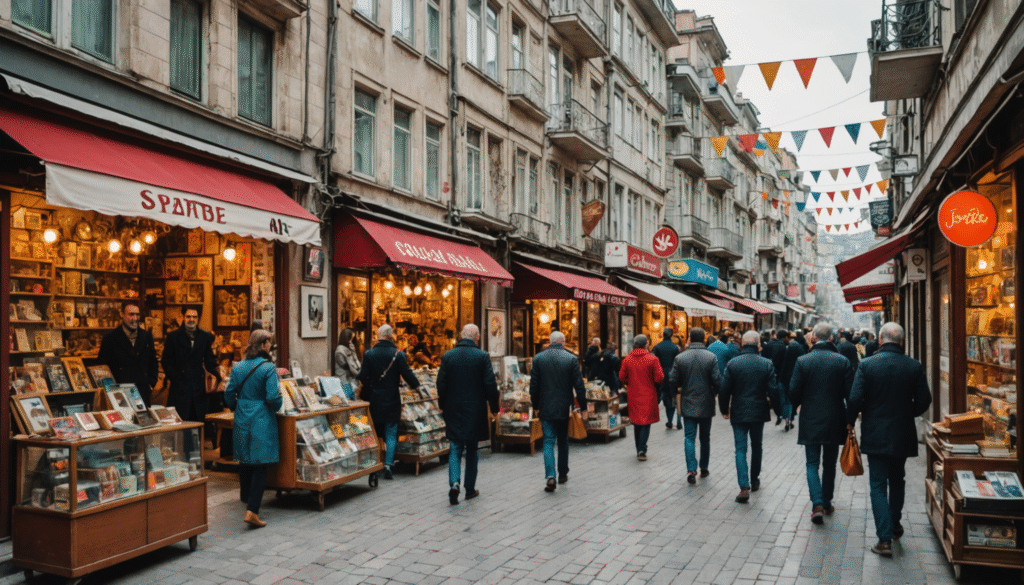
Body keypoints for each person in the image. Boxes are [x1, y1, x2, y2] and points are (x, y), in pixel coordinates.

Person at [847, 322, 932, 557]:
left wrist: (853, 418)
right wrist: (908, 412)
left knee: (877, 484)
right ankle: (894, 526)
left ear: (881, 340)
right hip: (902, 432)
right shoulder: (913, 366)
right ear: (902, 342)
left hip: (875, 432)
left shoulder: (867, 365)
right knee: (898, 480)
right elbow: (925, 400)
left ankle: (884, 539)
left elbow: (854, 399)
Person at [788, 322, 855, 525]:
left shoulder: (803, 361)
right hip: (835, 418)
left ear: (814, 338)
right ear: (832, 338)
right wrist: (850, 420)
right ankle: (826, 501)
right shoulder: (842, 361)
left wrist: (798, 405)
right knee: (829, 464)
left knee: (811, 462)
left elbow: (793, 391)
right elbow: (850, 395)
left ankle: (816, 503)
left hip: (810, 418)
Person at [224, 330, 282, 528]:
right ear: (264, 345)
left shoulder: (238, 366)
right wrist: (276, 406)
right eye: (269, 343)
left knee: (245, 458)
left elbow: (229, 392)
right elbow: (274, 397)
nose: (270, 346)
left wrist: (235, 406)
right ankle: (252, 511)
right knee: (260, 463)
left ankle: (245, 499)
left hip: (242, 415)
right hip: (261, 416)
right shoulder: (268, 368)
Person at [436, 324, 499, 505]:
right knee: (472, 449)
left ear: (461, 336)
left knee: (455, 447)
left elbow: (441, 384)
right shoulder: (482, 356)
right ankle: (469, 489)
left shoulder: (448, 356)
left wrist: (442, 405)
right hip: (475, 409)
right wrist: (494, 408)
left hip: (453, 408)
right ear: (477, 337)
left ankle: (454, 483)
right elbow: (490, 384)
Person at [719, 331, 781, 503]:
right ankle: (754, 480)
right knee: (757, 446)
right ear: (758, 344)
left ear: (742, 344)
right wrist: (779, 410)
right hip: (758, 411)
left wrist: (724, 409)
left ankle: (743, 486)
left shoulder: (733, 363)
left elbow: (724, 390)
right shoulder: (766, 363)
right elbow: (773, 390)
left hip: (738, 410)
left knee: (740, 449)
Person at [358, 324, 420, 480]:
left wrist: (363, 390)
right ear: (391, 336)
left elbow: (363, 376)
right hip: (392, 397)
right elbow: (407, 374)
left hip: (375, 398)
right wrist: (417, 387)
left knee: (376, 432)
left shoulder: (369, 354)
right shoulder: (398, 354)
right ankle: (388, 465)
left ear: (378, 336)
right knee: (391, 433)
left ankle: (376, 462)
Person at [529, 331, 586, 492]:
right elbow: (579, 387)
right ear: (563, 342)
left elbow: (533, 386)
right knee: (562, 440)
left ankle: (550, 476)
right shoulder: (572, 359)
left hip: (545, 406)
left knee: (548, 440)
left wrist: (535, 405)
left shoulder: (538, 358)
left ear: (549, 341)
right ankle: (562, 474)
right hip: (563, 407)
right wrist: (583, 406)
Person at [669, 327, 721, 484]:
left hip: (688, 401)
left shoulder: (680, 357)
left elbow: (672, 380)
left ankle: (691, 469)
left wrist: (678, 389)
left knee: (689, 437)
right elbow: (718, 381)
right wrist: (713, 393)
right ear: (704, 339)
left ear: (690, 339)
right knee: (705, 438)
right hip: (706, 402)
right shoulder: (711, 357)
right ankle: (704, 467)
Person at [161, 306, 221, 424]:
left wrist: (217, 376)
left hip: (198, 389)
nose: (191, 319)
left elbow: (209, 360)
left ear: (198, 319)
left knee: (197, 425)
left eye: (194, 317)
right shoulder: (173, 337)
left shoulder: (205, 336)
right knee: (180, 426)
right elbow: (166, 361)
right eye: (188, 316)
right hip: (179, 389)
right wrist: (177, 378)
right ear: (183, 318)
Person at [98, 301, 159, 407]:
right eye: (131, 314)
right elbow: (102, 367)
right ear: (122, 315)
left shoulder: (146, 336)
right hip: (120, 393)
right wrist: (111, 389)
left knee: (144, 422)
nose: (135, 318)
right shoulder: (110, 338)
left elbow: (153, 361)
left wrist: (150, 383)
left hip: (142, 391)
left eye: (137, 315)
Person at [618, 335, 663, 461]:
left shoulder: (627, 359)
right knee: (645, 422)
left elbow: (621, 377)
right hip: (648, 394)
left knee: (637, 422)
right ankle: (642, 449)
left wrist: (629, 382)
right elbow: (659, 377)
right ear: (646, 344)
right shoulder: (652, 359)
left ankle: (639, 447)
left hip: (633, 393)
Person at [650, 328, 681, 430]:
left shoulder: (657, 347)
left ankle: (652, 417)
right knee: (670, 399)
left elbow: (653, 361)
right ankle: (670, 420)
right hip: (671, 376)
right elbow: (678, 363)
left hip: (659, 375)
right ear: (671, 335)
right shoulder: (675, 348)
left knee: (659, 397)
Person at [777, 330, 807, 431]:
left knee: (783, 400)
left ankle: (784, 417)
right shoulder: (799, 351)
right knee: (790, 401)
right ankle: (789, 420)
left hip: (782, 378)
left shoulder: (784, 350)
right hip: (793, 379)